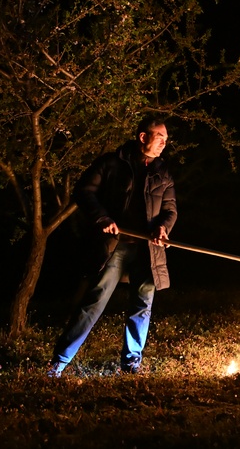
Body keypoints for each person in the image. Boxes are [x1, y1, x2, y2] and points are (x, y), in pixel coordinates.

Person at [48, 117, 177, 377]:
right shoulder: (111, 162)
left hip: (147, 251)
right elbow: (84, 191)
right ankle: (58, 363)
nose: (164, 142)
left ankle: (131, 366)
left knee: (142, 306)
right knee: (94, 302)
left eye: (166, 138)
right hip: (114, 247)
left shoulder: (162, 172)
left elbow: (170, 209)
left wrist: (163, 228)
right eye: (159, 137)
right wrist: (103, 217)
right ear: (143, 137)